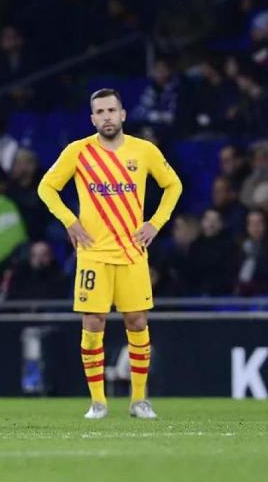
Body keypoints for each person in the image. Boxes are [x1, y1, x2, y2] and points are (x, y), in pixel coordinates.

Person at [38, 88, 182, 420]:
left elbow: (173, 184)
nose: (106, 117)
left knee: (137, 321)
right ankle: (98, 402)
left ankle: (139, 400)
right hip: (93, 255)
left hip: (133, 253)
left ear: (123, 114)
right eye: (99, 112)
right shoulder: (79, 151)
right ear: (93, 118)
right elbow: (46, 186)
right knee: (93, 323)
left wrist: (156, 223)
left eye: (111, 110)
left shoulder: (143, 150)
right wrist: (70, 222)